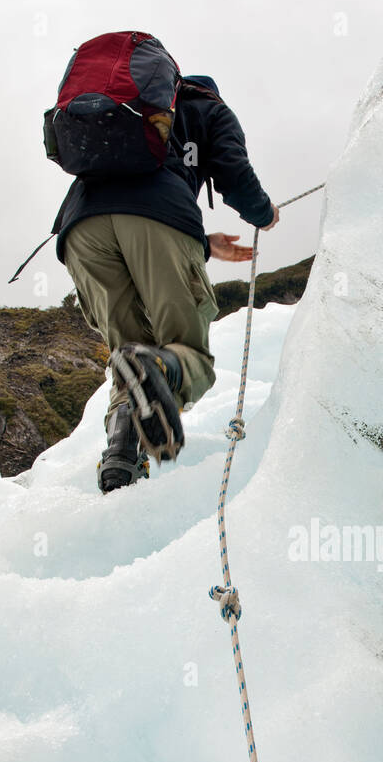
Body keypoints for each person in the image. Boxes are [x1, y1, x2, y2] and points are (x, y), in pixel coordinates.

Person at [51, 73, 279, 491]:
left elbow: (130, 219)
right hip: (161, 216)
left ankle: (122, 459)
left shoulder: (133, 112)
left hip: (81, 230)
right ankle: (159, 370)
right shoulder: (209, 108)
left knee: (129, 355)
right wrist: (263, 214)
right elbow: (232, 169)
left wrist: (204, 246)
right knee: (184, 352)